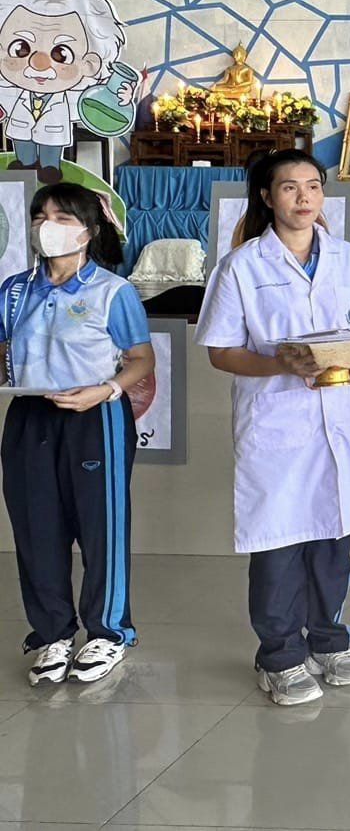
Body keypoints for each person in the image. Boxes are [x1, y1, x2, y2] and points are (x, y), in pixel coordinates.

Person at [197, 150, 350, 706]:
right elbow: (221, 352)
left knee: (334, 538)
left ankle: (330, 641)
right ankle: (279, 655)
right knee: (279, 542)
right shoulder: (241, 267)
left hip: (342, 415)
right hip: (278, 421)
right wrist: (281, 365)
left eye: (313, 185)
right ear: (267, 197)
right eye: (289, 187)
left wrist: (349, 353)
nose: (304, 197)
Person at [0, 183, 154, 686]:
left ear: (88, 230)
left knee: (100, 526)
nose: (48, 227)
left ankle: (109, 631)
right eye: (40, 217)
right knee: (35, 527)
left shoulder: (112, 291)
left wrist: (106, 390)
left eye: (62, 218)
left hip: (95, 416)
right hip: (29, 414)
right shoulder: (14, 290)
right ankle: (52, 633)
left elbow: (141, 359)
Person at [0, 0, 137, 184]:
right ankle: (25, 164)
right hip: (20, 127)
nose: (39, 63)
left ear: (90, 62)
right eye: (21, 48)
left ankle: (50, 167)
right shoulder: (10, 89)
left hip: (53, 132)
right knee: (23, 151)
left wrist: (121, 99)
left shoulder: (77, 93)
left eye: (61, 54)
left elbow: (97, 103)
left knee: (50, 155)